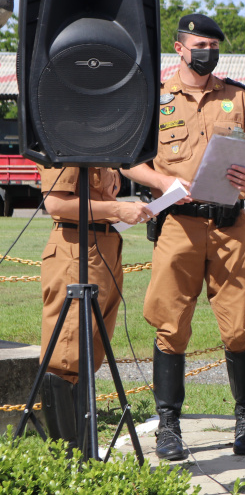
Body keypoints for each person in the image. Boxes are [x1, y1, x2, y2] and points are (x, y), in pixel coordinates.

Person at [121, 13, 245, 460]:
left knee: (240, 323)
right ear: (180, 48)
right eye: (200, 44)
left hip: (230, 225)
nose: (208, 51)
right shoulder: (157, 98)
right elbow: (129, 160)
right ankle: (169, 425)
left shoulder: (237, 97)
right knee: (170, 324)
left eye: (214, 44)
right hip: (178, 225)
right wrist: (160, 183)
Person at [37, 166, 152, 447]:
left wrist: (117, 210)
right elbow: (56, 203)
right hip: (76, 249)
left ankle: (86, 450)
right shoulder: (67, 135)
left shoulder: (101, 136)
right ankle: (69, 457)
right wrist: (116, 209)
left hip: (105, 247)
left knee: (88, 356)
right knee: (65, 357)